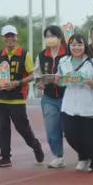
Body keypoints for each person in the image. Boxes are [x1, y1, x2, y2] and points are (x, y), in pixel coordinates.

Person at [0, 25, 45, 168]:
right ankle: (5, 157)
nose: (10, 39)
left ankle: (35, 145)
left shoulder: (24, 54)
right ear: (3, 38)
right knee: (3, 128)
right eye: (7, 36)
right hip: (0, 98)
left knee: (22, 128)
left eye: (12, 36)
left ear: (17, 37)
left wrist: (18, 83)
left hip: (17, 97)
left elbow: (33, 75)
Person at [58, 33, 93, 172]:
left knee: (91, 137)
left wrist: (91, 82)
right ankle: (83, 156)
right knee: (70, 133)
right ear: (69, 46)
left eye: (79, 44)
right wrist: (55, 80)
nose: (76, 47)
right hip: (70, 104)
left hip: (89, 103)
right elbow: (60, 80)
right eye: (73, 45)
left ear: (85, 46)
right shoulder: (63, 61)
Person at [36, 25, 67, 168]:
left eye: (52, 36)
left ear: (59, 37)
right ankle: (58, 155)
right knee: (51, 129)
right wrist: (40, 82)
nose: (50, 39)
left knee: (71, 128)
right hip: (49, 98)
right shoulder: (42, 55)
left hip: (68, 97)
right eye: (47, 36)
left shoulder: (68, 53)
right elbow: (37, 73)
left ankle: (83, 154)